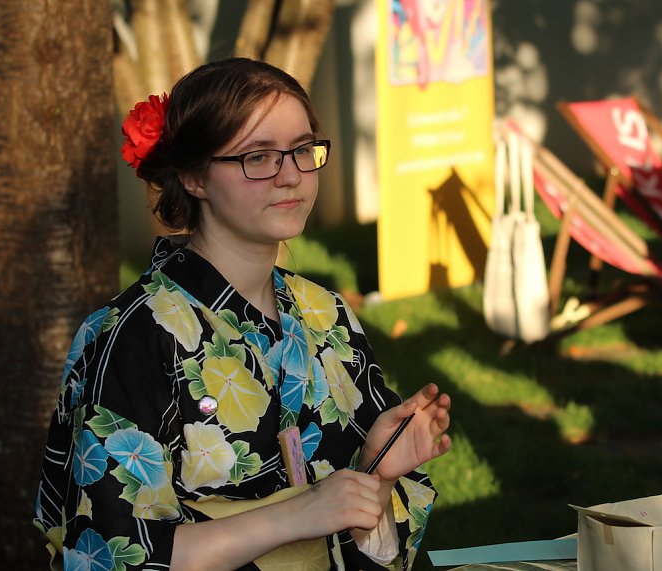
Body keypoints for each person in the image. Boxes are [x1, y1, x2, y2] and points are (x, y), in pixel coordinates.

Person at [33, 57, 452, 570]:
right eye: (258, 156)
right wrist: (297, 515)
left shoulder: (326, 313)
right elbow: (110, 553)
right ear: (194, 177)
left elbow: (366, 529)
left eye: (302, 149)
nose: (291, 176)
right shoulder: (136, 335)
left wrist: (376, 471)